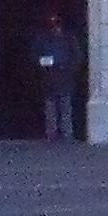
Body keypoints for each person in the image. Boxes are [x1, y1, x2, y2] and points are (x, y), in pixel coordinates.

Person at [31, 8, 81, 143]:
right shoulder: (42, 39)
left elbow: (76, 57)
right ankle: (52, 134)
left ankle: (67, 134)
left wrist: (69, 69)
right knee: (51, 108)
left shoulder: (69, 38)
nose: (55, 27)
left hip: (64, 76)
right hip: (49, 77)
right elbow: (35, 56)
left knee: (64, 107)